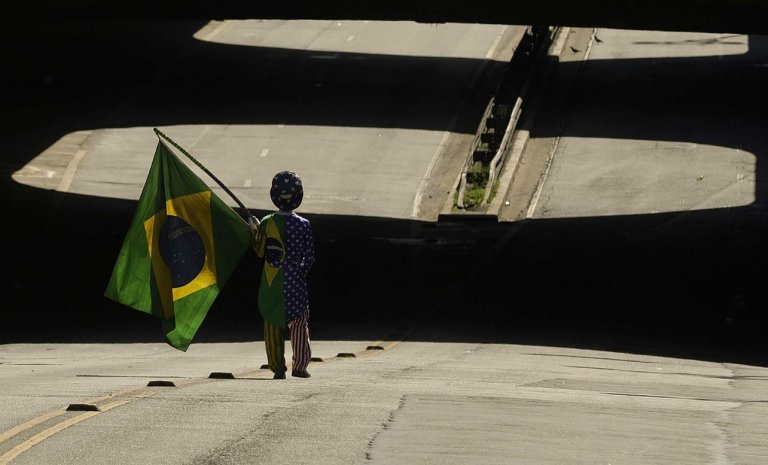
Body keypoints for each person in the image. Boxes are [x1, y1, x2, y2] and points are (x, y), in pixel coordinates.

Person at [249, 171, 315, 379]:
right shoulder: (304, 224)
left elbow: (260, 251)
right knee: (299, 324)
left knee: (272, 324)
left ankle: (278, 367)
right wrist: (299, 273)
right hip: (296, 282)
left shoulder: (267, 222)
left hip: (272, 281)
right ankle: (300, 367)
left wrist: (254, 230)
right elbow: (309, 257)